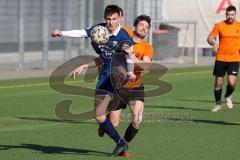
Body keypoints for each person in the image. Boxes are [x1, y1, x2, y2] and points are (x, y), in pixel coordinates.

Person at [52, 5, 133, 156]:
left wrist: (130, 72)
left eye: (114, 19)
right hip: (104, 77)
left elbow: (129, 59)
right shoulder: (98, 30)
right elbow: (81, 32)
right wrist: (61, 33)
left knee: (113, 121)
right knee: (99, 116)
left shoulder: (124, 37)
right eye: (108, 19)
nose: (110, 22)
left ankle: (118, 140)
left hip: (118, 78)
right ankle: (121, 143)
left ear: (121, 18)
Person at [98, 15, 153, 157]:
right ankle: (108, 125)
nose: (144, 28)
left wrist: (132, 56)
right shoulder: (124, 35)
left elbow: (146, 65)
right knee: (114, 124)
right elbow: (111, 25)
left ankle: (124, 145)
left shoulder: (147, 47)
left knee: (138, 120)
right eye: (141, 25)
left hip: (135, 86)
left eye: (147, 27)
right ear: (134, 26)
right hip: (117, 87)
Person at [207, 5, 240, 112]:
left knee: (231, 82)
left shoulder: (239, 26)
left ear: (235, 14)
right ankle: (218, 104)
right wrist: (213, 42)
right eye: (228, 14)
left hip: (234, 59)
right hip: (221, 58)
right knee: (218, 83)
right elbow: (210, 38)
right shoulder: (220, 25)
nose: (230, 16)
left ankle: (228, 95)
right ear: (225, 14)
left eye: (232, 14)